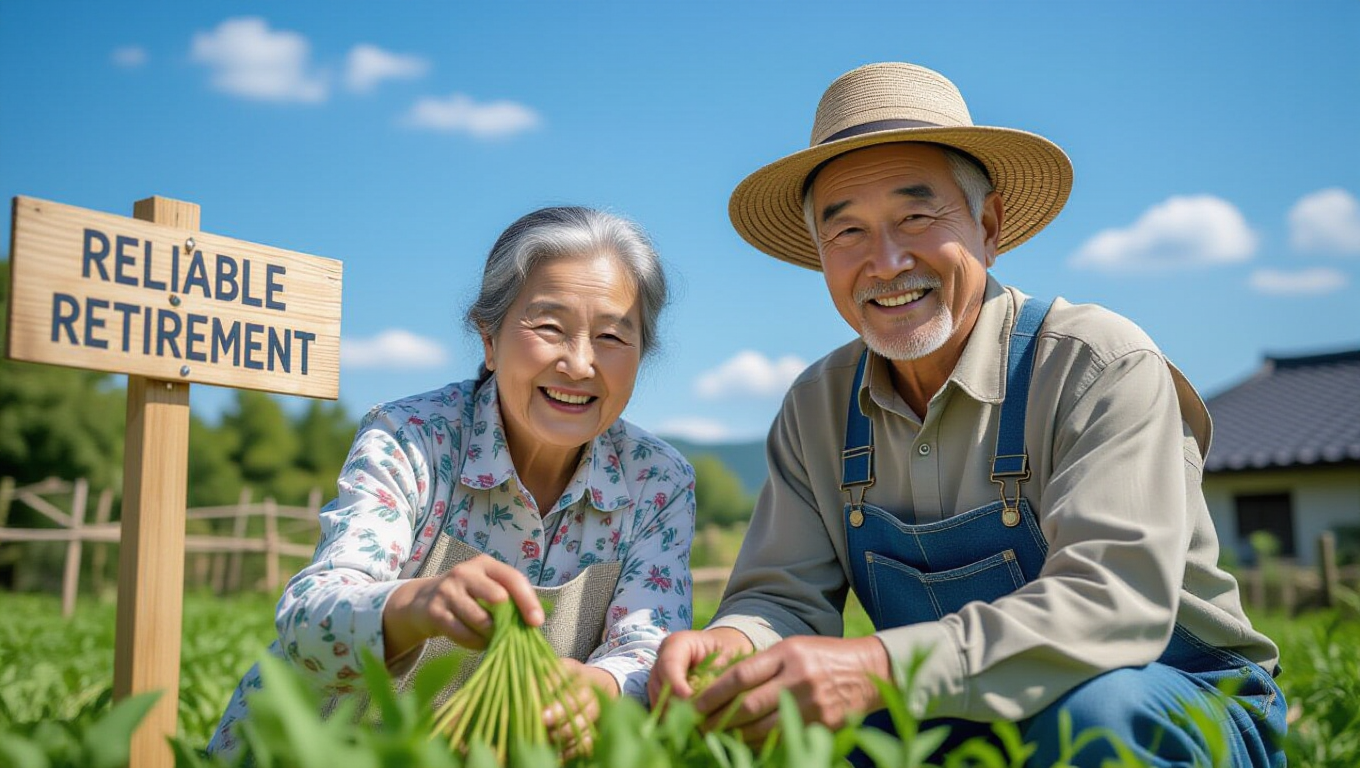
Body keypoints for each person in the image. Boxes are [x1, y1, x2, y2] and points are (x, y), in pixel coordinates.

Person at [649, 62, 1285, 767]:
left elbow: (1114, 601)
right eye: (847, 231)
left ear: (989, 225)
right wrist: (734, 642)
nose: (885, 262)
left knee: (1091, 718)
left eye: (916, 217)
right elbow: (783, 599)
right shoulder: (816, 407)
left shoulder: (1096, 362)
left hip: (1174, 699)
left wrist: (881, 668)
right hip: (949, 713)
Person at [209, 206, 696, 760]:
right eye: (549, 327)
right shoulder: (412, 438)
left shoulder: (658, 480)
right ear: (488, 338)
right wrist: (418, 603)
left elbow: (648, 645)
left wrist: (602, 687)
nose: (580, 364)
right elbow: (308, 614)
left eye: (612, 336)